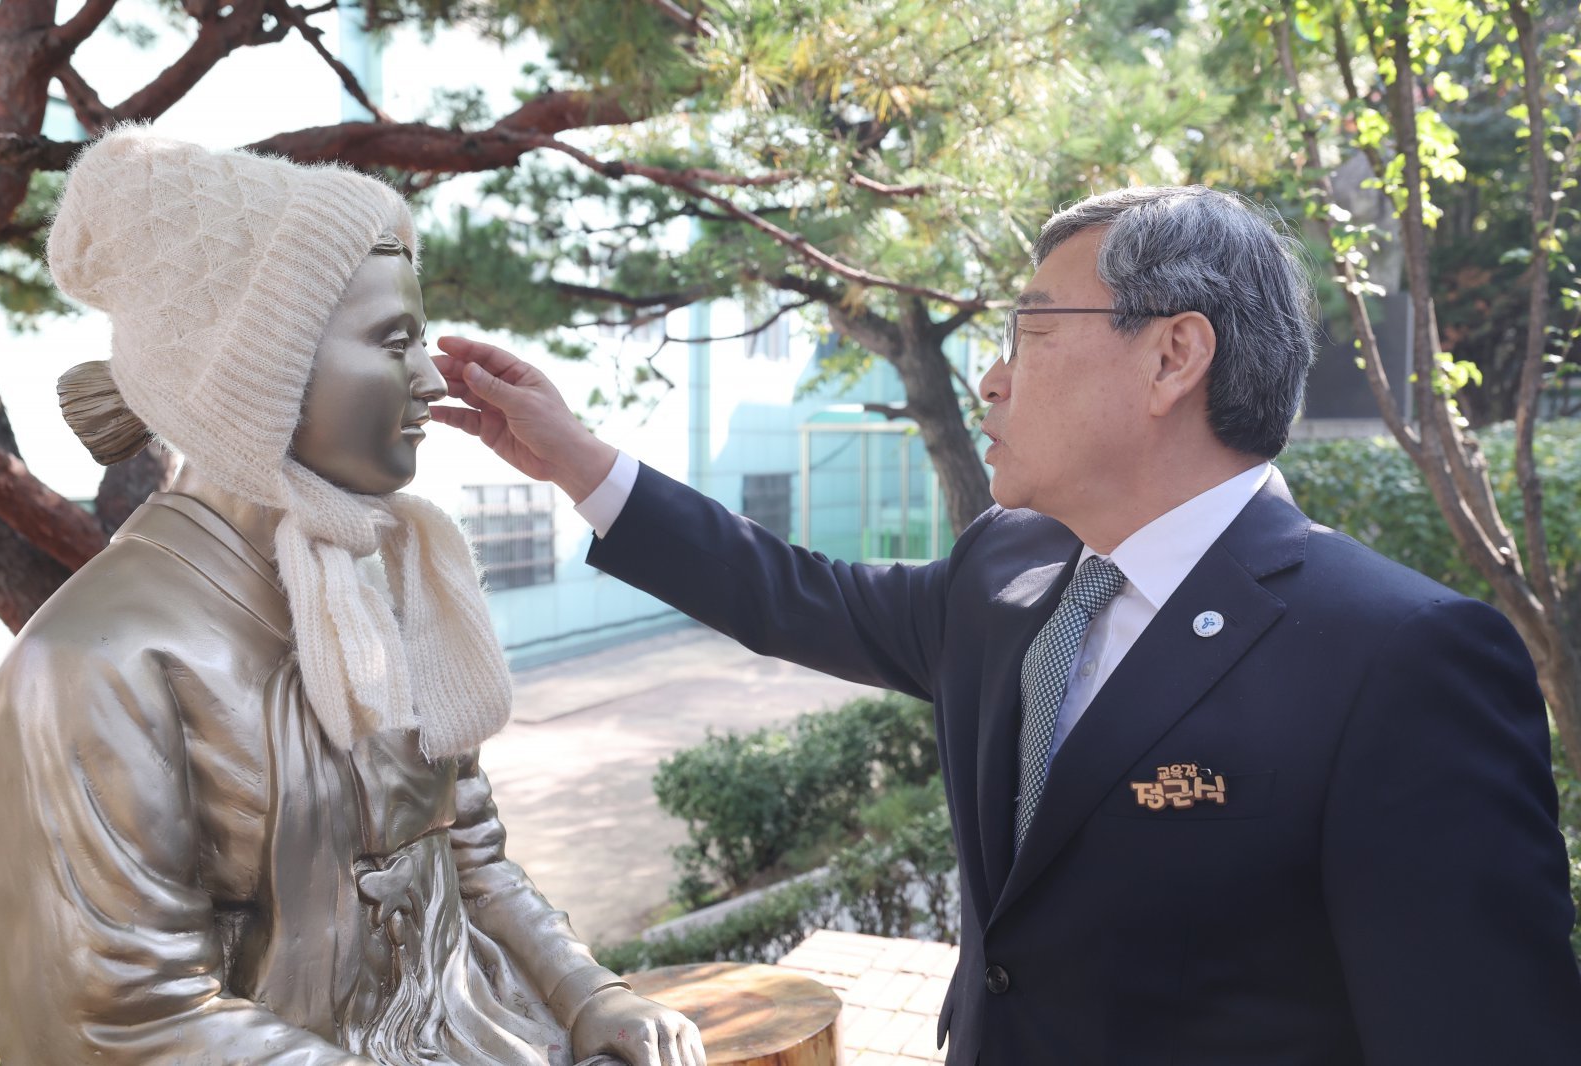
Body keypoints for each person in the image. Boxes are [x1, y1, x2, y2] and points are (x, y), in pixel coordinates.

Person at [431, 185, 1581, 1064]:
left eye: (1030, 329)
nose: (989, 378)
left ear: (1173, 356)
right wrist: (575, 461)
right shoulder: (1010, 566)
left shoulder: (1400, 658)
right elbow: (790, 592)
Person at [0, 128, 704, 1066]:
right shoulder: (90, 662)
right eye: (393, 340)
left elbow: (469, 855)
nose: (432, 379)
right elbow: (121, 1016)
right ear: (258, 373)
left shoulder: (387, 587)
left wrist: (586, 991)